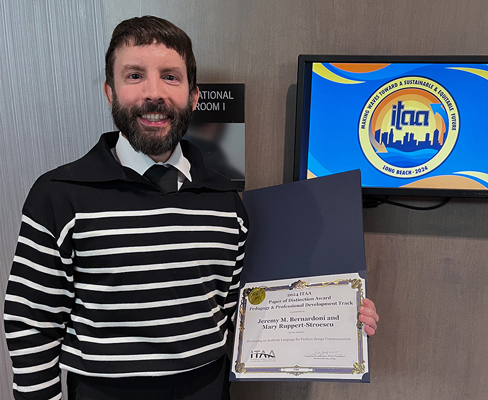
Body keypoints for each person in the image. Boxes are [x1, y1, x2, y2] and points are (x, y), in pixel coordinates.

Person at [4, 15, 379, 400]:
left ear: (193, 96)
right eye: (134, 76)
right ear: (110, 92)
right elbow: (30, 321)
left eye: (170, 76)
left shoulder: (225, 201)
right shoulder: (60, 195)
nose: (153, 93)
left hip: (208, 387)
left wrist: (336, 316)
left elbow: (242, 312)